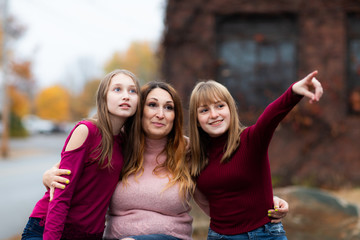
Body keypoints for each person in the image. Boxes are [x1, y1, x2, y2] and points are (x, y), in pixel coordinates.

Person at [43, 82, 289, 240]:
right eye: (152, 105)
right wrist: (48, 176)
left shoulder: (189, 150)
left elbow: (224, 185)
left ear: (176, 116)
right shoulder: (121, 147)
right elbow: (78, 175)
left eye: (169, 107)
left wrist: (264, 203)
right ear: (140, 112)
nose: (160, 113)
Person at [188, 70, 323, 239]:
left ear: (230, 109)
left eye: (220, 106)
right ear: (197, 119)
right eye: (204, 110)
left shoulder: (251, 140)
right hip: (219, 236)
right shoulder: (193, 154)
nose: (214, 115)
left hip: (264, 234)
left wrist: (294, 91)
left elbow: (270, 117)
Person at [21, 69, 141, 240]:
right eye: (117, 89)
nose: (126, 96)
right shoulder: (86, 131)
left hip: (89, 234)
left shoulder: (126, 142)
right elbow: (61, 196)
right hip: (49, 229)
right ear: (103, 97)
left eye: (132, 91)